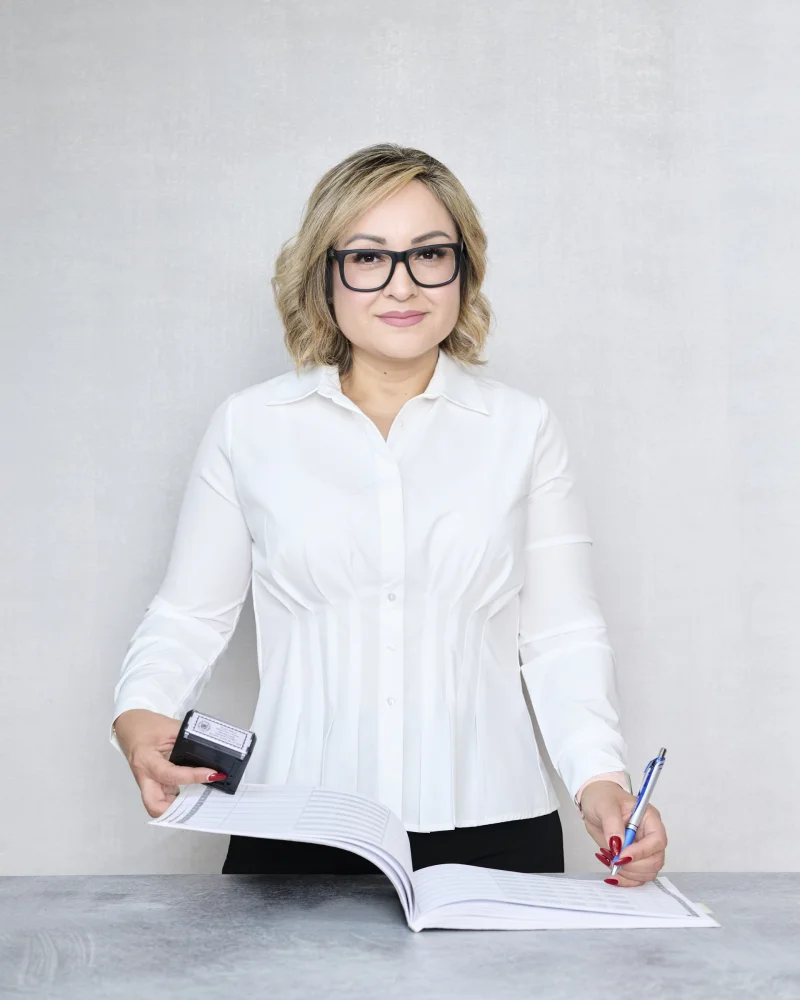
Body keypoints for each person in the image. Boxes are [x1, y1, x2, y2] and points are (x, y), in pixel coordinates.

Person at [111, 143, 667, 886]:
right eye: (368, 258)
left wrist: (600, 778)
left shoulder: (523, 428)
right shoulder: (250, 427)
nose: (402, 285)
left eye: (429, 254)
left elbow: (561, 633)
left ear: (462, 269)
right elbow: (188, 616)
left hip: (497, 833)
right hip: (291, 827)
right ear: (325, 274)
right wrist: (141, 711)